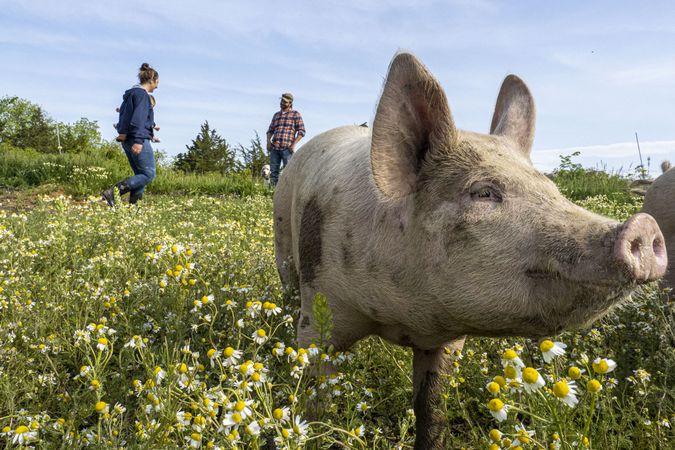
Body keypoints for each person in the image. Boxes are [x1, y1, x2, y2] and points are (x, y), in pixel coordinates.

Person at [102, 63, 159, 206]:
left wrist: (122, 133)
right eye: (157, 83)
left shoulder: (130, 95)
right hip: (137, 138)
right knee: (148, 174)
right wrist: (139, 140)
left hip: (128, 139)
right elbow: (138, 118)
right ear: (151, 79)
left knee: (141, 175)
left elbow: (124, 117)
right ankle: (113, 192)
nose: (157, 86)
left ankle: (134, 209)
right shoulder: (142, 95)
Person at [266, 93, 305, 186]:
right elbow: (270, 130)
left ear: (290, 103)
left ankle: (287, 194)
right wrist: (268, 142)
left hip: (287, 148)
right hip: (275, 148)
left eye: (285, 102)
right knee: (273, 172)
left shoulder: (295, 114)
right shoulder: (276, 115)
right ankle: (272, 192)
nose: (282, 103)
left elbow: (301, 131)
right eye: (281, 101)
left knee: (288, 173)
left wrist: (293, 144)